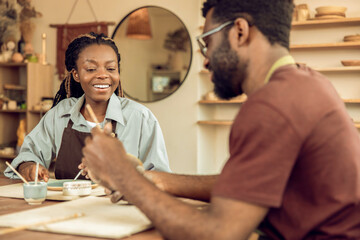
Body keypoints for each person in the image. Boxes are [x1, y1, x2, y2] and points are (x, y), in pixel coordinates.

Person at [81, 1, 360, 239]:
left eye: (207, 42)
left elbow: (217, 233)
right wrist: (156, 180)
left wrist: (124, 176)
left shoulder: (273, 105)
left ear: (240, 31)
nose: (205, 60)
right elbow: (247, 184)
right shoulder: (306, 81)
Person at [4, 32, 170, 181]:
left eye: (111, 68)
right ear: (76, 74)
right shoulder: (61, 114)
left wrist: (117, 173)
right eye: (91, 68)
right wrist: (29, 167)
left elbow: (161, 178)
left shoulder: (140, 117)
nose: (103, 75)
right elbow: (28, 154)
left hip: (118, 211)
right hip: (67, 210)